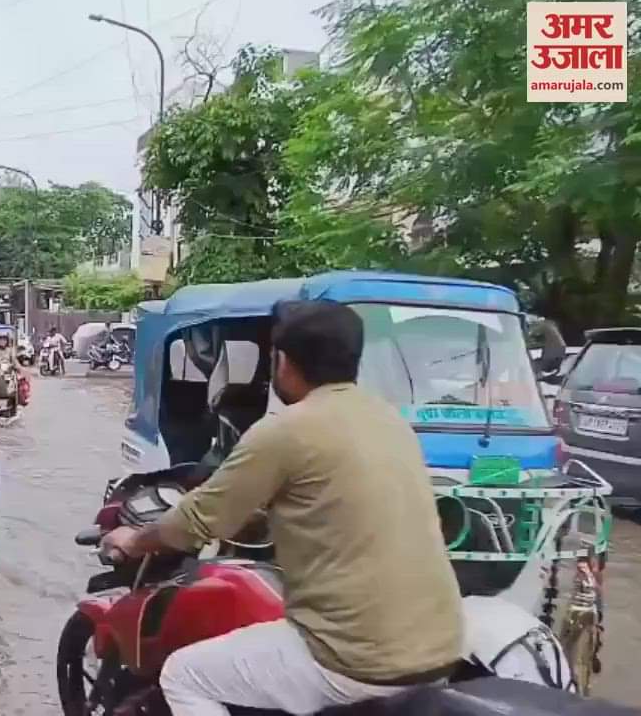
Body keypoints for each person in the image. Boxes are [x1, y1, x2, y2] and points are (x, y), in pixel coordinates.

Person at [102, 300, 464, 716]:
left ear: (284, 362)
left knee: (184, 675)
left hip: (356, 658)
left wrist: (135, 539)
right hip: (439, 645)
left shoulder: (285, 430)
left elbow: (199, 517)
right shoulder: (388, 420)